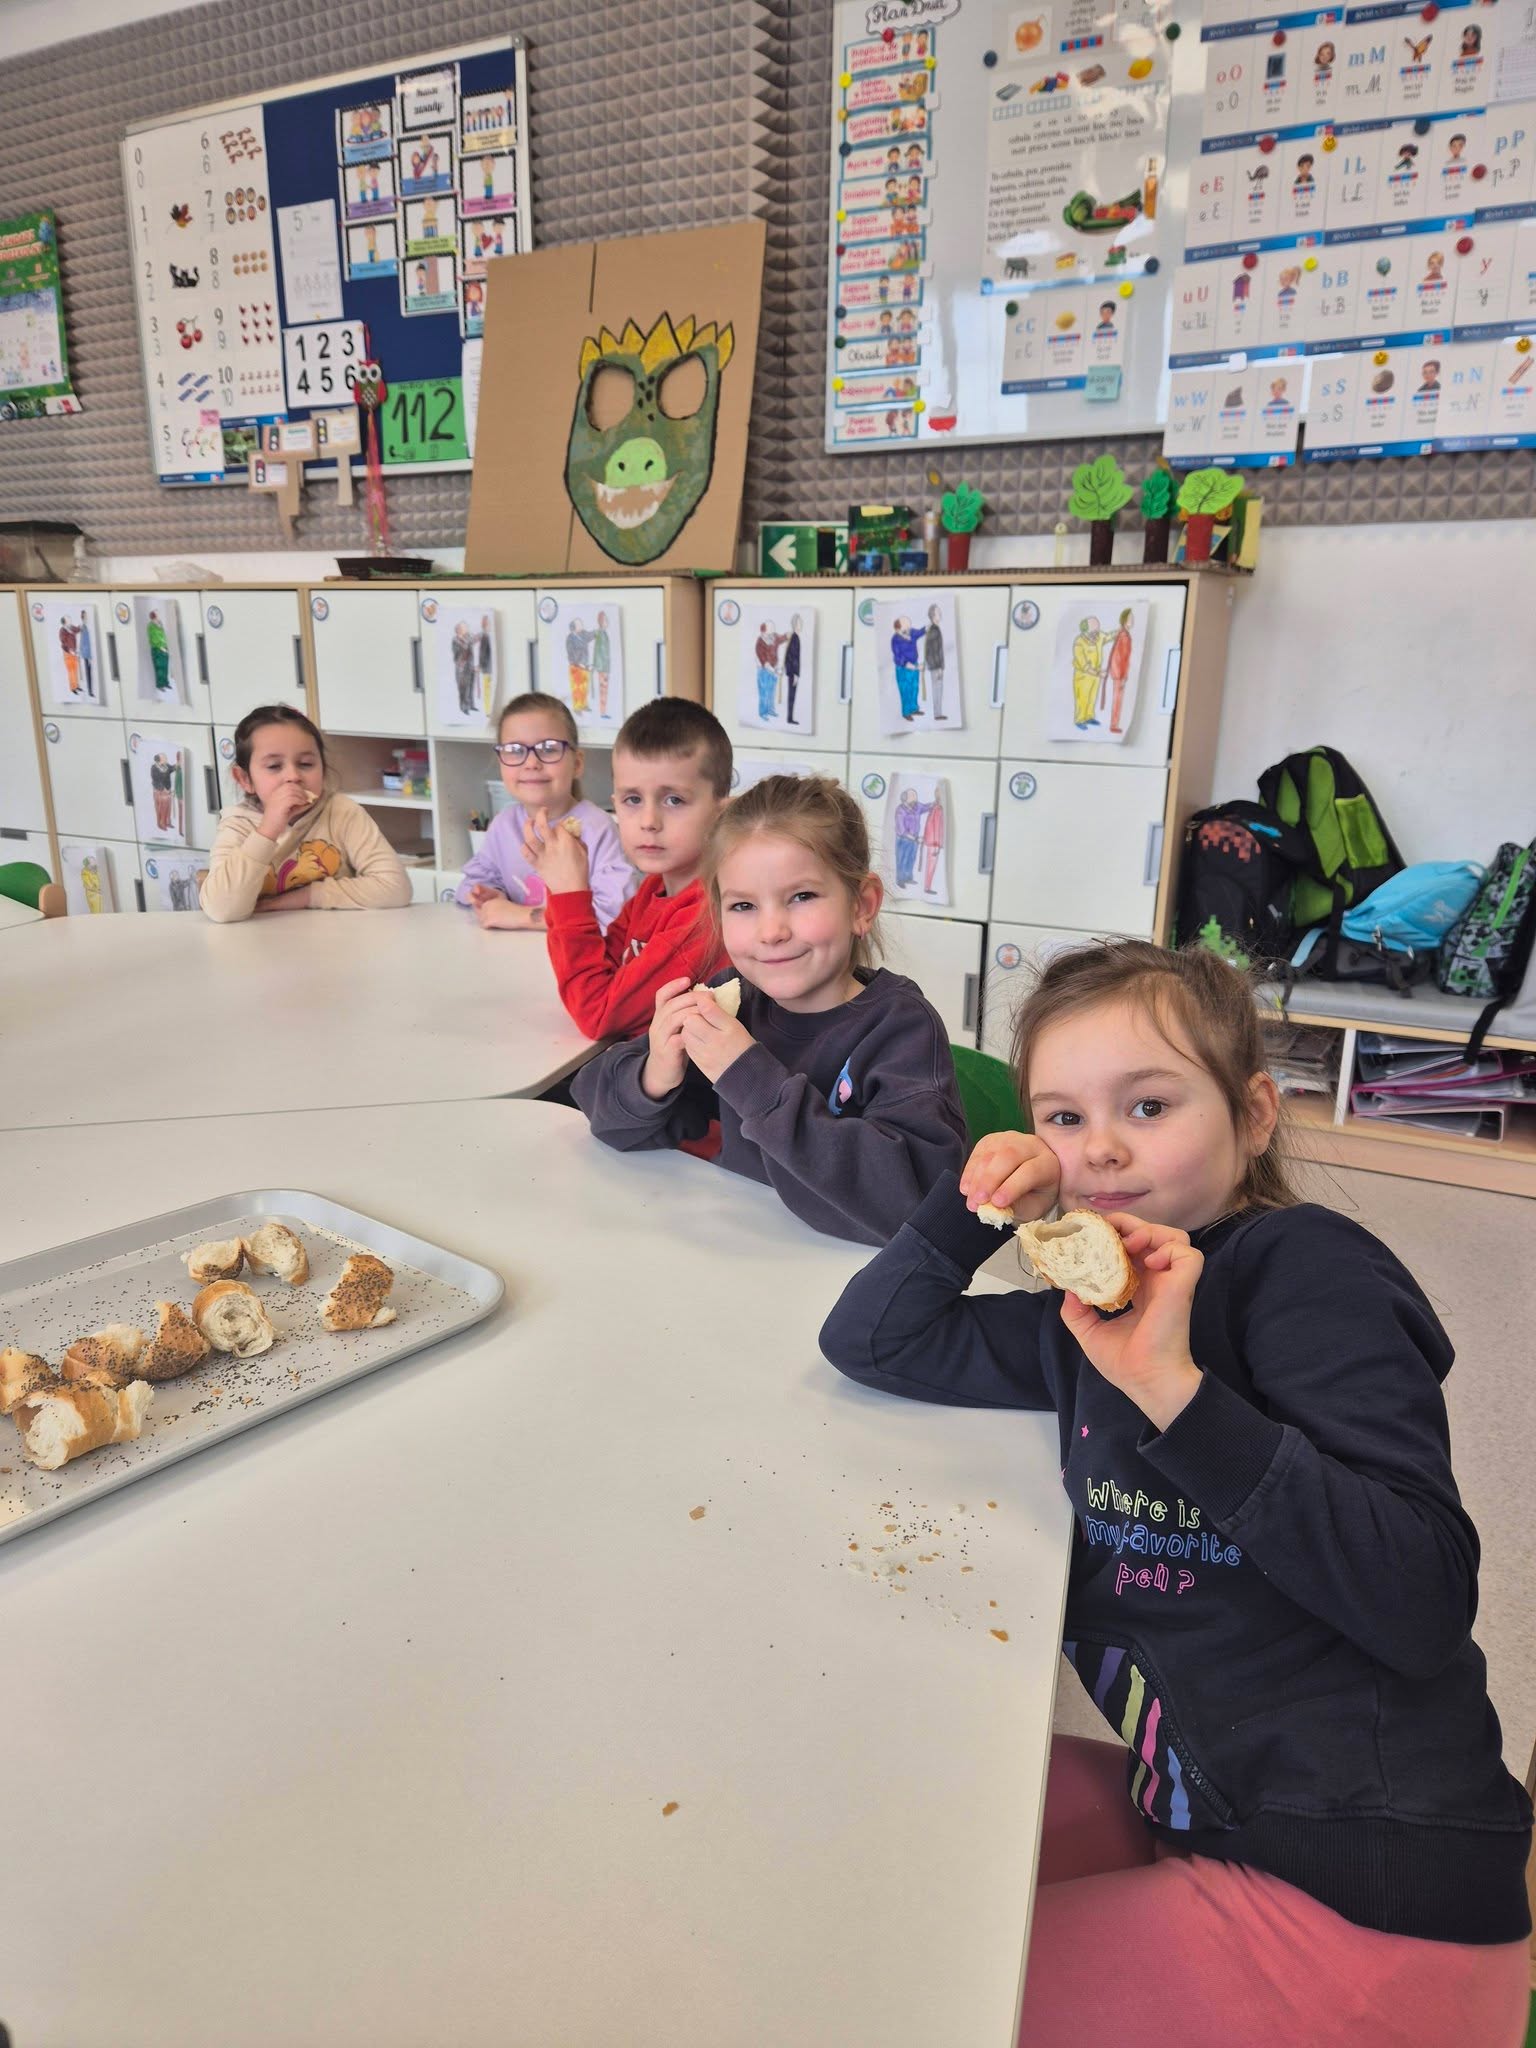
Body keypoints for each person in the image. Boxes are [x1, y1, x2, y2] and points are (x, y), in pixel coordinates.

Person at [818, 939, 1532, 2046]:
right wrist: (975, 1206)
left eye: (1148, 1105)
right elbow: (873, 1340)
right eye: (1061, 1118)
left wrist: (1175, 1390)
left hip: (1368, 1897)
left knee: (896, 2001)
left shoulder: (1305, 1267)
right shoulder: (1087, 1316)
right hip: (1201, 1798)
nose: (1100, 1147)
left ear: (1254, 1113)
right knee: (885, 1838)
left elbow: (1421, 1597)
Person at [571, 775, 967, 1246]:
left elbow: (915, 1205)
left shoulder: (901, 1029)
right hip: (741, 1253)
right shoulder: (733, 1003)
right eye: (743, 905)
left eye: (801, 897)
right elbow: (604, 1116)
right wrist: (654, 1073)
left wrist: (748, 1077)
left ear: (861, 906)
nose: (771, 931)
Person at [527, 698, 733, 1041]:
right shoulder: (654, 888)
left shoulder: (703, 917)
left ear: (720, 813)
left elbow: (596, 1014)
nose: (649, 821)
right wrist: (561, 885)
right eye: (633, 799)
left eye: (674, 800)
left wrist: (568, 894)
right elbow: (600, 973)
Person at [200, 704, 411, 922]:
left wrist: (307, 897)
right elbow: (221, 910)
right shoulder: (238, 824)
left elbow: (396, 887)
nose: (293, 776)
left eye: (306, 764)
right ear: (245, 779)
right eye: (274, 766)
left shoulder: (342, 812)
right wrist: (268, 829)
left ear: (323, 769)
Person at [456, 693, 631, 934]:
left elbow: (614, 915)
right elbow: (469, 886)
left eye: (548, 749)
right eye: (515, 750)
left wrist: (523, 916)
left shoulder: (598, 827)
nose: (531, 763)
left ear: (577, 763)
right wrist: (490, 896)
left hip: (575, 954)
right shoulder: (503, 825)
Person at [1105, 606, 1135, 735]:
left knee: (1118, 699)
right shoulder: (1124, 636)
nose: (1132, 621)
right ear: (1124, 620)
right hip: (1119, 673)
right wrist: (1122, 675)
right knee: (1117, 700)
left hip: (1119, 673)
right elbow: (1120, 657)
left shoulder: (1123, 634)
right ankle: (1114, 725)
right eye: (1130, 618)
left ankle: (1114, 724)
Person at [1071, 615, 1104, 727]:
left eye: (1097, 632)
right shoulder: (1079, 643)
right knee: (1082, 699)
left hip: (1095, 676)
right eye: (1093, 633)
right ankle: (1079, 720)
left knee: (1092, 697)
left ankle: (1089, 717)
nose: (1096, 635)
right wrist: (1098, 673)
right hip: (1083, 676)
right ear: (1085, 632)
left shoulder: (1099, 637)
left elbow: (1108, 636)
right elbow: (1084, 665)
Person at [890, 616, 921, 719]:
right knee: (906, 691)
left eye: (909, 627)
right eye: (905, 628)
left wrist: (927, 628)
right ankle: (906, 713)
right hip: (903, 669)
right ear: (897, 629)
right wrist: (911, 666)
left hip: (914, 665)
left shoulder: (911, 632)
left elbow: (920, 632)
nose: (908, 630)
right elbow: (898, 657)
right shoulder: (895, 640)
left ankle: (914, 709)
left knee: (915, 688)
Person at [754, 623, 785, 720]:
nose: (772, 636)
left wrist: (788, 635)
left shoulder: (774, 637)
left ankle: (770, 710)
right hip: (764, 671)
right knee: (764, 693)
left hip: (773, 669)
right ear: (763, 633)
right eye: (769, 634)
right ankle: (763, 713)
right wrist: (776, 671)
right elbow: (765, 662)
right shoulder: (760, 643)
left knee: (771, 692)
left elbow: (781, 638)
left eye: (772, 633)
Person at [922, 604, 946, 721]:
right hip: (936, 666)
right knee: (937, 690)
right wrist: (939, 667)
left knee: (937, 689)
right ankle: (937, 714)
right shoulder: (934, 630)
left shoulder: (933, 629)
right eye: (938, 613)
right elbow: (934, 651)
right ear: (933, 616)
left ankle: (938, 713)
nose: (940, 614)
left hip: (934, 665)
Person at [451, 620, 477, 717]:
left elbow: (474, 639)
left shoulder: (468, 636)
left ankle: (471, 705)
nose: (466, 629)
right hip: (461, 669)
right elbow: (459, 653)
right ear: (458, 630)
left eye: (466, 627)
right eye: (464, 628)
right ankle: (464, 708)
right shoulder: (455, 640)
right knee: (463, 689)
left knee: (471, 687)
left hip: (470, 666)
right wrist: (466, 641)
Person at [565, 618, 591, 713]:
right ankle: (577, 707)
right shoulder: (570, 638)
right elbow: (570, 652)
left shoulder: (583, 634)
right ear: (574, 627)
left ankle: (583, 705)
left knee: (584, 687)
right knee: (577, 688)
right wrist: (578, 663)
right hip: (576, 666)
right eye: (579, 624)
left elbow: (590, 636)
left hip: (584, 665)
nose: (581, 625)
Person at [590, 610, 612, 719]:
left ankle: (603, 712)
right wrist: (596, 665)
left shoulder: (603, 633)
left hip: (604, 667)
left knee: (604, 690)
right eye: (605, 620)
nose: (607, 622)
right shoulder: (600, 634)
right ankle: (602, 712)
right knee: (603, 690)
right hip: (602, 667)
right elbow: (597, 650)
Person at [783, 614, 803, 725]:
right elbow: (793, 657)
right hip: (793, 673)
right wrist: (795, 673)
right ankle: (789, 718)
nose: (801, 625)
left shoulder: (794, 637)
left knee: (792, 695)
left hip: (791, 672)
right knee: (791, 696)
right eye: (799, 623)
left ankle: (790, 718)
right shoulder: (795, 638)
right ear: (795, 625)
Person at [77, 609, 94, 697]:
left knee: (89, 672)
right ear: (83, 617)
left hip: (87, 653)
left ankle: (90, 690)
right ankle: (89, 691)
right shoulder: (83, 627)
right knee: (88, 672)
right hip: (86, 654)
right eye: (86, 616)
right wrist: (88, 656)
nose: (87, 618)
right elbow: (83, 642)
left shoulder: (86, 627)